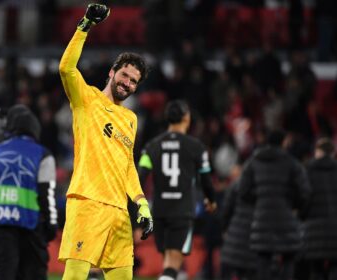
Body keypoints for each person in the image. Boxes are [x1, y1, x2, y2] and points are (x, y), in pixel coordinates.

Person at [57, 3, 153, 280]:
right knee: (75, 276)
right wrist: (85, 25)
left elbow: (127, 166)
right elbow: (66, 68)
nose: (127, 83)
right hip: (87, 203)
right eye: (124, 75)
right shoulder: (86, 100)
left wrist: (142, 204)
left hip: (119, 212)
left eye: (134, 81)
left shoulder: (130, 119)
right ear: (112, 72)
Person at [0, 105, 58, 280]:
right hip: (30, 224)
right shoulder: (43, 154)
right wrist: (51, 225)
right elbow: (47, 195)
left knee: (3, 273)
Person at [137, 100, 217, 280]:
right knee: (174, 263)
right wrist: (211, 200)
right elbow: (206, 180)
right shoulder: (197, 148)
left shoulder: (151, 147)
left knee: (168, 261)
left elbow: (139, 178)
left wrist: (137, 209)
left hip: (159, 211)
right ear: (186, 118)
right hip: (182, 211)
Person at [238, 129, 311, 280]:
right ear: (283, 142)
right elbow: (305, 192)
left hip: (262, 219)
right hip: (287, 219)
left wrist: (259, 202)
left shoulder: (254, 161)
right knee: (289, 257)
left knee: (263, 259)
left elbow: (242, 191)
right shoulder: (292, 163)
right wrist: (294, 205)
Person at [302, 137, 337, 280]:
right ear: (333, 153)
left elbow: (303, 199)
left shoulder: (307, 171)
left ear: (317, 152)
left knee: (316, 269)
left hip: (314, 229)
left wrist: (303, 217)